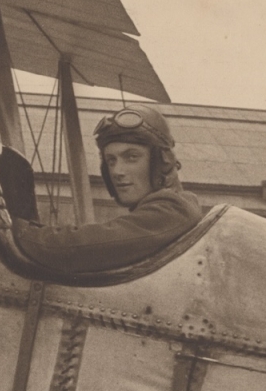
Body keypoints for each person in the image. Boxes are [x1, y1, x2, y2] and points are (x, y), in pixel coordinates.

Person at [14, 106, 203, 273]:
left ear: (161, 162)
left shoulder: (173, 209)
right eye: (111, 160)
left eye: (131, 157)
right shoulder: (175, 207)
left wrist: (21, 233)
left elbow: (94, 245)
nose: (117, 171)